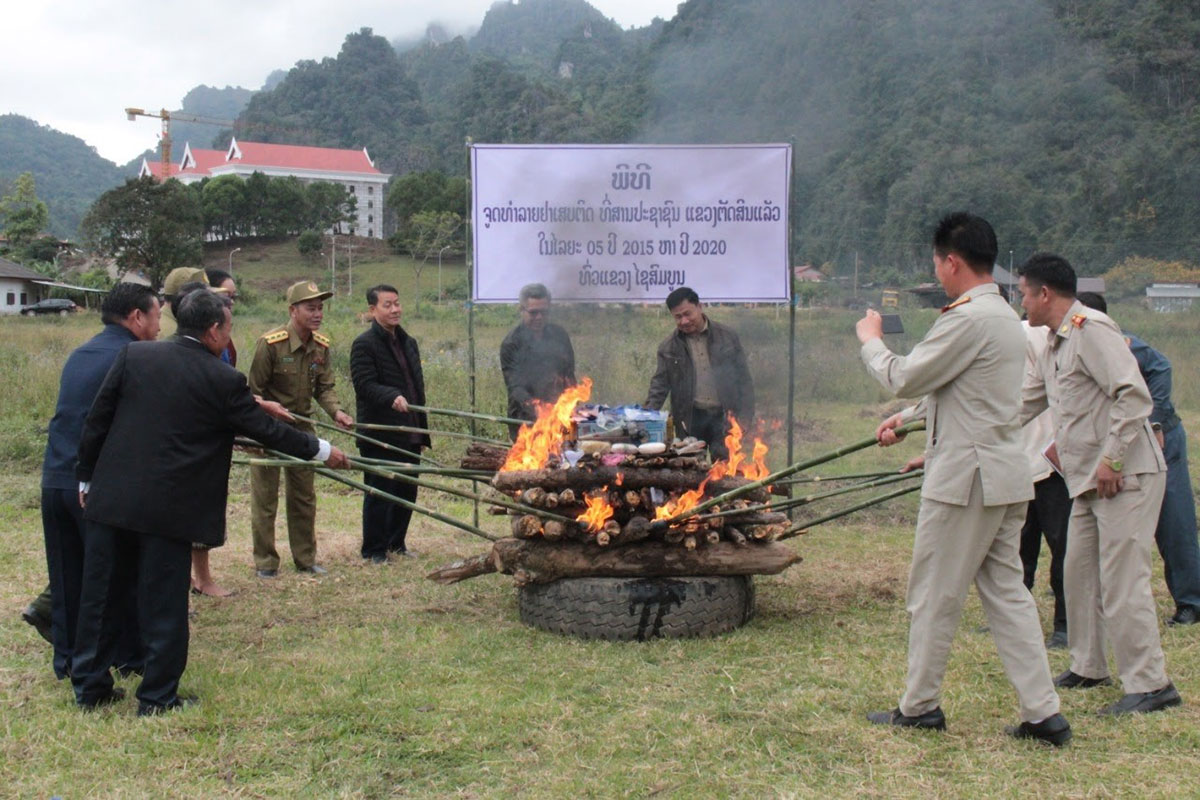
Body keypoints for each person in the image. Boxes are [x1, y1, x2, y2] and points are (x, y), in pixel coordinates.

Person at [72, 289, 350, 714]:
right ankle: (157, 698)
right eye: (229, 327)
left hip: (112, 497)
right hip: (170, 508)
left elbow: (98, 419)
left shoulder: (136, 357)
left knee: (100, 594)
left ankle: (89, 688)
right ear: (214, 330)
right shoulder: (222, 379)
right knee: (165, 604)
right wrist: (322, 450)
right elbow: (265, 431)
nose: (228, 335)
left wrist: (87, 478)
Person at [858, 212, 1068, 745]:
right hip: (1003, 471)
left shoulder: (967, 318)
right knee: (1007, 592)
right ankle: (1043, 713)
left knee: (933, 593)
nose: (938, 272)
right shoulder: (1000, 314)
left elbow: (905, 374)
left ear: (951, 261)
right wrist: (908, 423)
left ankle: (919, 705)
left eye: (937, 263)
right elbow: (966, 394)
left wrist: (870, 340)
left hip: (965, 479)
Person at [1018, 253, 1180, 716]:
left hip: (1124, 474)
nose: (1022, 302)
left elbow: (1134, 395)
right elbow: (1021, 405)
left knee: (1122, 578)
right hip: (1087, 479)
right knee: (1079, 571)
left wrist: (1111, 459)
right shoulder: (1053, 343)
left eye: (1025, 292)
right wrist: (943, 429)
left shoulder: (1093, 329)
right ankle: (1089, 665)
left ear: (1044, 293)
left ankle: (1151, 684)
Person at [38, 282, 161, 680]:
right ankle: (125, 658)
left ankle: (68, 660)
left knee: (66, 578)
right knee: (114, 579)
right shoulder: (133, 356)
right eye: (157, 315)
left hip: (55, 480)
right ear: (137, 317)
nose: (160, 326)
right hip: (93, 486)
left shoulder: (81, 353)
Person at [1076, 291, 1200, 627]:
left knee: (1174, 519)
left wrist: (1156, 420)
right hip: (1117, 442)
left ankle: (1191, 601)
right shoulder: (1071, 345)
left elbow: (1162, 367)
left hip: (1160, 440)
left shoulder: (1124, 343)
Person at [248, 280, 353, 577]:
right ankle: (266, 563)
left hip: (303, 430)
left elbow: (325, 387)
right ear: (293, 311)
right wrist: (253, 432)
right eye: (311, 308)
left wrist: (337, 411)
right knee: (265, 498)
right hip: (268, 429)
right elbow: (252, 392)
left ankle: (306, 559)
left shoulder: (321, 347)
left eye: (320, 308)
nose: (317, 314)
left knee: (304, 497)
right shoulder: (270, 344)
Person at [350, 285, 431, 561]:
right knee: (380, 491)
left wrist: (420, 424)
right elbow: (364, 385)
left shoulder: (408, 342)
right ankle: (374, 549)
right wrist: (391, 396)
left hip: (410, 429)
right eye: (387, 305)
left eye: (397, 303)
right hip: (381, 431)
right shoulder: (364, 344)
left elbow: (415, 385)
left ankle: (397, 543)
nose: (395, 309)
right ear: (372, 310)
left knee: (406, 489)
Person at [644, 287, 754, 459]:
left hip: (725, 417)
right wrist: (646, 417)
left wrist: (745, 417)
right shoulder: (668, 347)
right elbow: (659, 386)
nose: (684, 321)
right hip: (690, 419)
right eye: (678, 317)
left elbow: (744, 381)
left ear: (700, 306)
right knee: (692, 475)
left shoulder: (727, 337)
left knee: (725, 473)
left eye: (688, 314)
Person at [1017, 320, 1072, 649]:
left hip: (1052, 459)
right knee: (1019, 545)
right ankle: (1015, 618)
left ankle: (1065, 624)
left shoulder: (1042, 337)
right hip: (1017, 458)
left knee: (1063, 546)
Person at [500, 283, 576, 439]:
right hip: (525, 420)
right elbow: (515, 388)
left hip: (559, 415)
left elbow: (569, 374)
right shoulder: (511, 344)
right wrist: (539, 409)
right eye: (533, 313)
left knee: (565, 457)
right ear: (522, 310)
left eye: (544, 312)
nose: (539, 317)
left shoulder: (560, 335)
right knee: (533, 462)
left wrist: (570, 403)